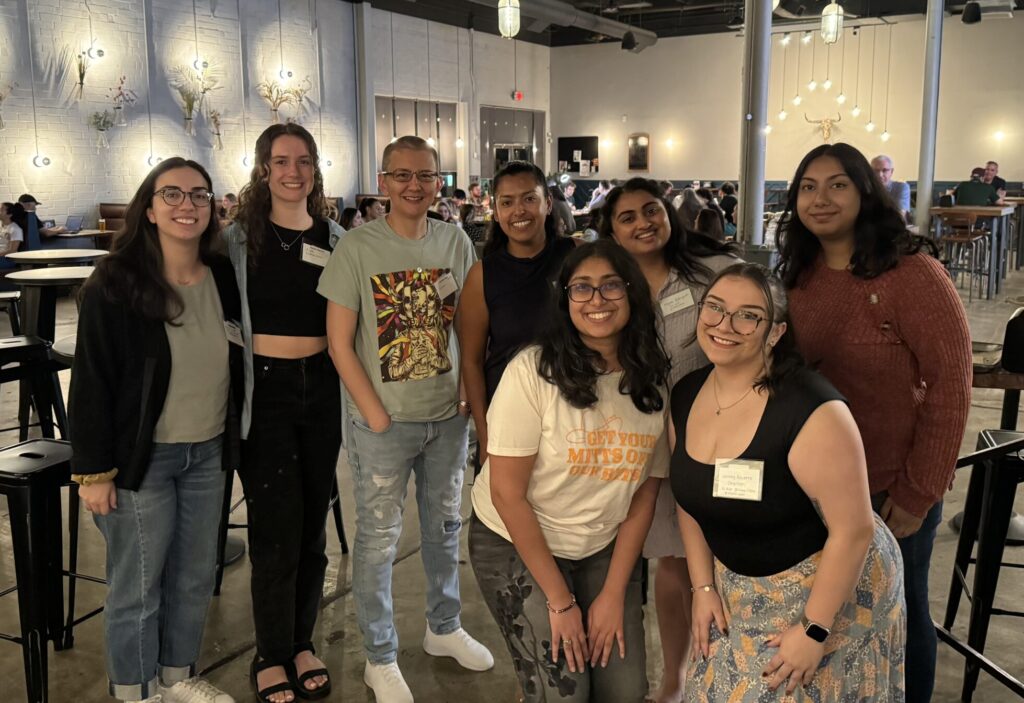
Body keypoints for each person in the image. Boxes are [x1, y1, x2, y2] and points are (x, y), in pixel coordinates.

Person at [776, 142, 972, 702]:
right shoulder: (799, 274)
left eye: (837, 184)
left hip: (890, 487)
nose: (820, 198)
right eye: (807, 187)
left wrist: (920, 490)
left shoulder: (914, 276)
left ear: (867, 191)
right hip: (813, 485)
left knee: (901, 615)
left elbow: (951, 389)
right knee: (833, 615)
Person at [673, 262, 905, 701]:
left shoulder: (812, 408)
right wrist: (702, 587)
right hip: (740, 587)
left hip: (830, 588)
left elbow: (854, 530)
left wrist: (813, 629)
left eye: (748, 315)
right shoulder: (685, 395)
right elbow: (688, 498)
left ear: (775, 333)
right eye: (715, 308)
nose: (725, 325)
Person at [319, 135, 493, 703]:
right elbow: (339, 343)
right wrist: (375, 415)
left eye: (426, 175)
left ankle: (444, 628)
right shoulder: (356, 247)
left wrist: (469, 398)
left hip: (446, 417)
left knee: (445, 527)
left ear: (439, 181)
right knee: (377, 542)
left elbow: (469, 328)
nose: (414, 185)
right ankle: (380, 654)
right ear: (384, 181)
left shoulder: (456, 240)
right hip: (384, 424)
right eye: (402, 175)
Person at [69, 157, 243, 703]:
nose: (186, 205)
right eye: (171, 194)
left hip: (208, 453)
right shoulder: (116, 283)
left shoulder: (221, 276)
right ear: (148, 208)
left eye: (198, 195)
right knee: (138, 586)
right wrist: (93, 472)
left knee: (192, 577)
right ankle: (134, 692)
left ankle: (176, 679)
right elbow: (91, 382)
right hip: (141, 461)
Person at [470, 240, 670, 703]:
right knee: (564, 693)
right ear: (564, 299)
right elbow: (507, 494)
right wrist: (560, 603)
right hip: (515, 541)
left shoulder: (652, 378)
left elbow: (644, 494)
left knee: (624, 691)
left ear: (632, 294)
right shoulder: (532, 372)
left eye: (610, 286)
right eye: (581, 288)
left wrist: (613, 594)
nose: (596, 300)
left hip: (600, 547)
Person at [599, 178, 736, 703]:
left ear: (669, 213)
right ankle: (674, 679)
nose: (642, 223)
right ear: (611, 231)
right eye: (627, 216)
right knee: (670, 563)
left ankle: (719, 673)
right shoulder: (611, 288)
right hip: (640, 448)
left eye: (650, 210)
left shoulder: (711, 276)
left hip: (711, 444)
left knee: (713, 563)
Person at [223, 123, 345, 703]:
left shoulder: (337, 238)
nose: (292, 171)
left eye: (303, 161)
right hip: (263, 391)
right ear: (263, 169)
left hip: (321, 388)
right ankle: (270, 654)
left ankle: (302, 642)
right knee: (276, 528)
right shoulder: (237, 240)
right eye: (281, 161)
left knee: (313, 527)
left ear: (315, 168)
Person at [457, 161, 576, 473]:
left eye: (529, 198)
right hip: (507, 415)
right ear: (495, 212)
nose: (518, 210)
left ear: (548, 204)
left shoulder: (575, 257)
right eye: (506, 202)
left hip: (571, 413)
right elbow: (471, 361)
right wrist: (484, 437)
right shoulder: (483, 275)